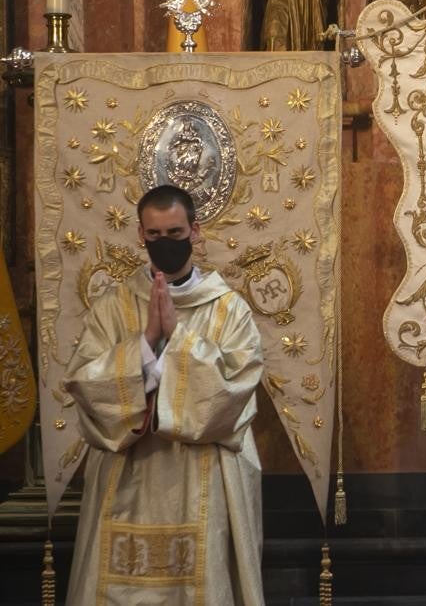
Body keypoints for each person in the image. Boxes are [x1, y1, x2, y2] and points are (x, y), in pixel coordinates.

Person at [64, 185, 266, 605]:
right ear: (140, 234)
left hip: (202, 480)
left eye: (174, 233)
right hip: (127, 480)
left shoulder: (229, 309)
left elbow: (236, 393)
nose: (164, 244)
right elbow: (84, 384)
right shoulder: (113, 307)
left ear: (194, 230)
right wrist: (145, 342)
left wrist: (179, 338)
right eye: (154, 235)